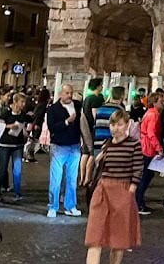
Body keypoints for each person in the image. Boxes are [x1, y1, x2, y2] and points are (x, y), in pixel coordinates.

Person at [76, 109, 142, 264]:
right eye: (113, 125)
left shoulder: (134, 145)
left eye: (119, 124)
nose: (115, 128)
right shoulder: (107, 144)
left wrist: (130, 191)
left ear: (127, 125)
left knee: (117, 242)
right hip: (103, 190)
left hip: (122, 192)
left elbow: (138, 169)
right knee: (94, 239)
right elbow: (98, 165)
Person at [45, 84, 84, 218]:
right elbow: (52, 127)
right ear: (60, 94)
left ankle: (71, 205)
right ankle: (53, 206)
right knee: (56, 178)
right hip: (59, 146)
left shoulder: (78, 106)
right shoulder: (53, 109)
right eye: (66, 93)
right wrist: (67, 122)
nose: (69, 95)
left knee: (72, 178)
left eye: (71, 93)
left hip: (74, 145)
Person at [0, 92, 30, 202]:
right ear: (15, 102)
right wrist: (9, 126)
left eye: (24, 102)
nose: (23, 104)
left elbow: (26, 124)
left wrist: (25, 131)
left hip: (17, 145)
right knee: (2, 169)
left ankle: (17, 192)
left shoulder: (23, 115)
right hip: (4, 144)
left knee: (17, 170)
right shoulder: (5, 113)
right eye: (21, 102)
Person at [136, 93, 164, 215]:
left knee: (146, 175)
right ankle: (139, 203)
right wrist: (159, 148)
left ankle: (139, 201)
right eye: (161, 101)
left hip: (144, 145)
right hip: (148, 148)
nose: (163, 103)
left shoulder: (149, 113)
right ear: (155, 102)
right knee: (146, 175)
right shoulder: (154, 114)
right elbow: (151, 133)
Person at [79, 78, 105, 190]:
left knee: (85, 153)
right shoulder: (96, 98)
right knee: (92, 154)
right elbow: (96, 114)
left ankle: (82, 177)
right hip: (93, 129)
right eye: (101, 85)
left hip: (85, 128)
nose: (102, 87)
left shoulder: (87, 98)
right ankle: (88, 178)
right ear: (98, 86)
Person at [24, 88, 50, 163]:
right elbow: (38, 115)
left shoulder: (39, 104)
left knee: (33, 139)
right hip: (37, 124)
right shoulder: (43, 105)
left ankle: (29, 154)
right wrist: (36, 124)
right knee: (34, 139)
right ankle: (30, 155)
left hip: (35, 123)